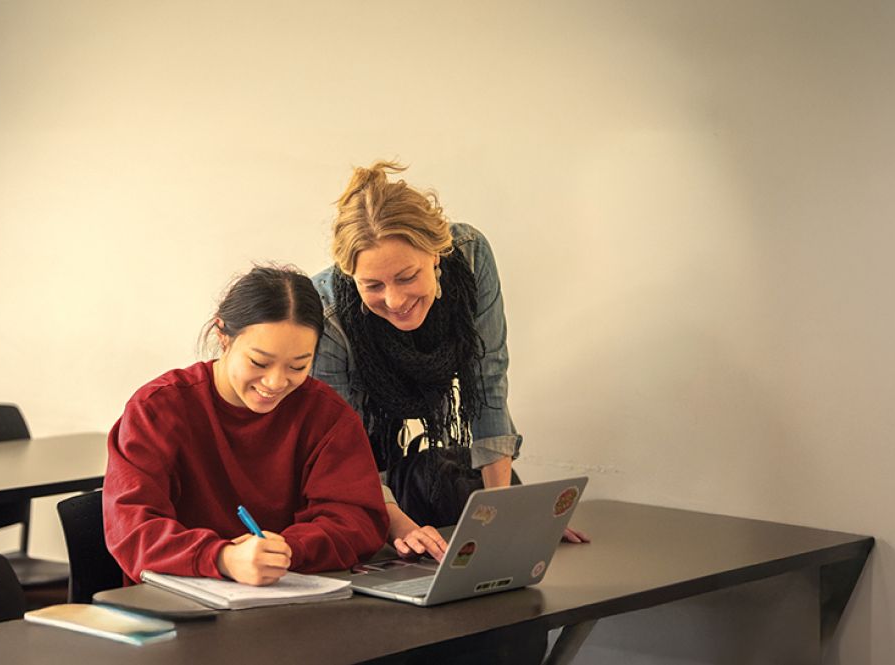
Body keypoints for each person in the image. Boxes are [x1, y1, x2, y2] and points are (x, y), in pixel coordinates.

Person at [311, 161, 588, 562]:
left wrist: (508, 517)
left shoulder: (471, 257)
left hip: (419, 474)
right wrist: (401, 526)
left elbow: (488, 380)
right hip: (356, 481)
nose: (394, 299)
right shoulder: (328, 313)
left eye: (407, 277)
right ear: (350, 276)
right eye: (373, 285)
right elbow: (344, 444)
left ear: (436, 255)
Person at [103, 265, 389, 586]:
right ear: (223, 336)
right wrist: (222, 558)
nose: (276, 382)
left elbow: (358, 519)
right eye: (259, 362)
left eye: (298, 366)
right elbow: (132, 530)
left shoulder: (326, 415)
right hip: (179, 607)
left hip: (290, 602)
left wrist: (285, 551)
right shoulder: (157, 409)